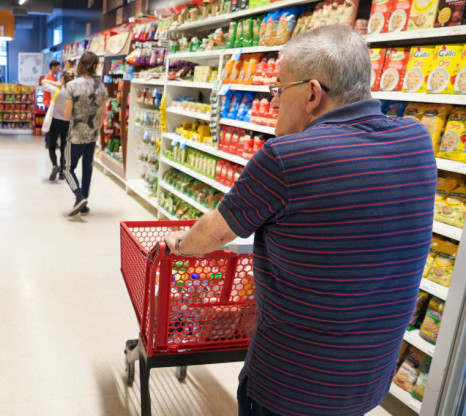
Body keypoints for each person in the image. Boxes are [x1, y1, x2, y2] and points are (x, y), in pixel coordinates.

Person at [165, 25, 436, 416]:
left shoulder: (286, 157)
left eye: (277, 89)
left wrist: (180, 246)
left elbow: (214, 232)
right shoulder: (417, 140)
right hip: (366, 379)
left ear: (312, 93)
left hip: (290, 385)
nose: (273, 103)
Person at [63, 52, 108, 216]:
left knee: (67, 168)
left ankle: (79, 195)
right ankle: (84, 202)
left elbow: (67, 114)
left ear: (80, 64)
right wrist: (94, 129)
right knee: (87, 168)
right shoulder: (102, 87)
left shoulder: (72, 86)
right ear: (95, 66)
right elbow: (103, 115)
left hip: (75, 135)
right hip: (92, 135)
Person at [46, 70, 76, 181]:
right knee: (64, 148)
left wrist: (55, 83)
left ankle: (55, 165)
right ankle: (62, 172)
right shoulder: (72, 93)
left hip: (55, 122)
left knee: (52, 146)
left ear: (62, 80)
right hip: (67, 123)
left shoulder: (56, 90)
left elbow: (44, 83)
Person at [42, 61, 62, 150]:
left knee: (49, 122)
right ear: (53, 67)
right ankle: (49, 142)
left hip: (49, 103)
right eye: (58, 68)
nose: (59, 70)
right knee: (50, 123)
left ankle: (49, 142)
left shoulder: (50, 77)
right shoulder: (50, 78)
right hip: (49, 103)